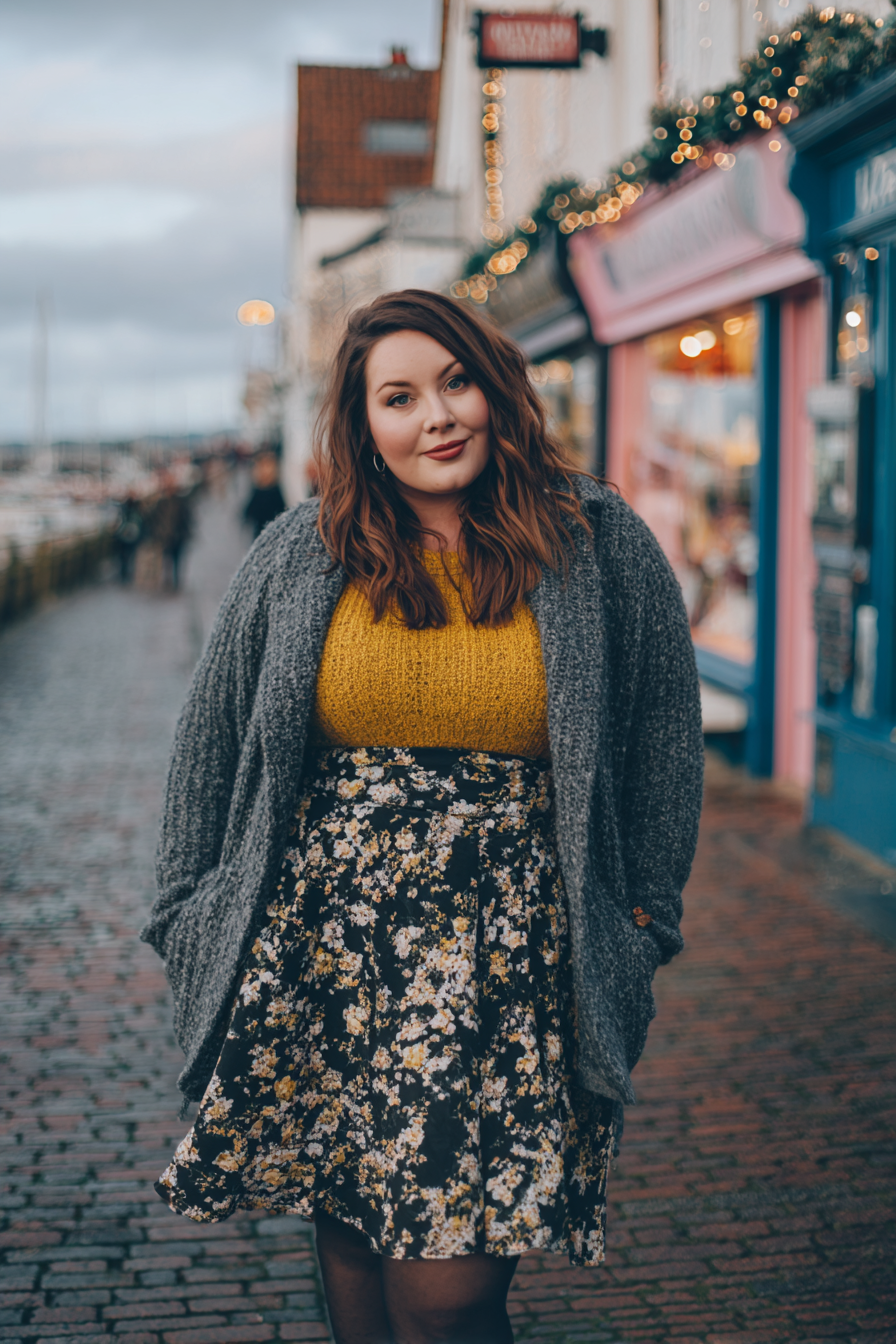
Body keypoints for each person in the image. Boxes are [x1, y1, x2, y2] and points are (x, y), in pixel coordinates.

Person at [141, 291, 703, 1344]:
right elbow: (207, 746)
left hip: (508, 968)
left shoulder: (593, 541)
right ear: (362, 424)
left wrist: (643, 921)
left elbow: (663, 741)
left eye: (455, 383)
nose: (436, 416)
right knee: (353, 1245)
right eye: (397, 397)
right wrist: (186, 910)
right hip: (325, 958)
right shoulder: (299, 553)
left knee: (446, 1295)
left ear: (495, 388)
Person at [149, 472, 193, 591]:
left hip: (178, 536)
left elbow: (187, 518)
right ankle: (167, 581)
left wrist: (186, 532)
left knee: (177, 560)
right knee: (166, 560)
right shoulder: (161, 502)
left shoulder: (181, 501)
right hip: (166, 537)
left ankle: (175, 581)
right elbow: (154, 518)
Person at [242, 450, 287, 538]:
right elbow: (250, 511)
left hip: (275, 534)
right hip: (260, 534)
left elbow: (282, 510)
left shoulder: (275, 491)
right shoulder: (257, 490)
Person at [112, 490, 144, 584]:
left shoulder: (123, 509)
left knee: (124, 558)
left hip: (123, 537)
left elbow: (118, 523)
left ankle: (124, 575)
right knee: (130, 557)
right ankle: (128, 574)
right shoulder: (137, 510)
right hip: (133, 538)